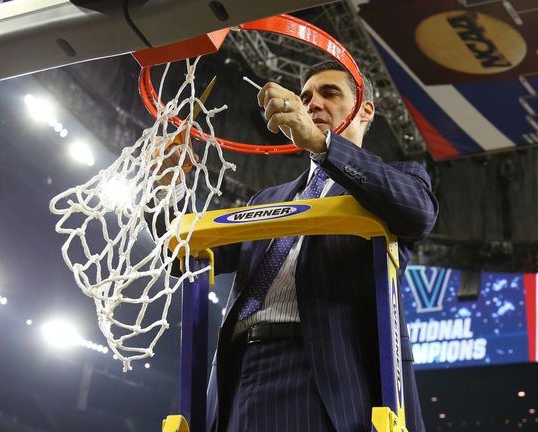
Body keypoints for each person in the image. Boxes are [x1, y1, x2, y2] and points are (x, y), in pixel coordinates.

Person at [161, 60, 437, 431]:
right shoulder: (268, 199)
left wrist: (325, 146)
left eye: (330, 93)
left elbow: (417, 212)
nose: (313, 103)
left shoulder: (399, 180)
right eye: (306, 96)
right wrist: (167, 189)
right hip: (241, 373)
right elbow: (189, 257)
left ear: (365, 110)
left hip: (324, 375)